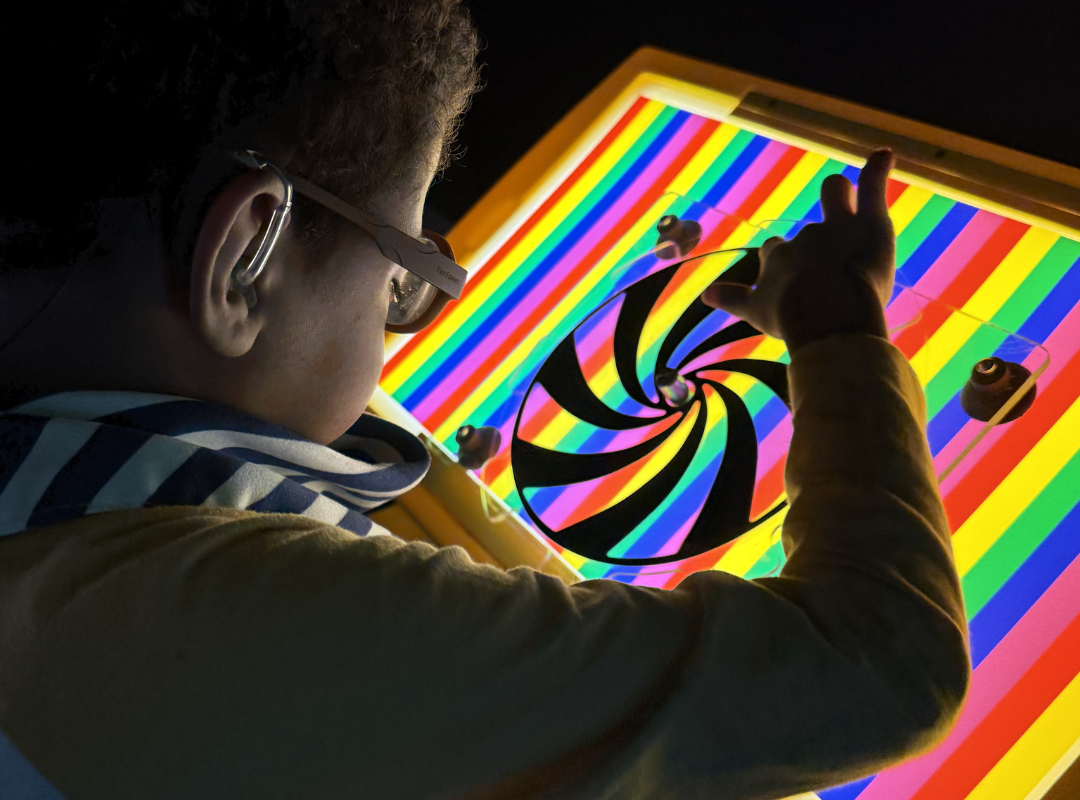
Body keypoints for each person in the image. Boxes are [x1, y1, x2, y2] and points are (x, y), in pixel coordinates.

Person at [0, 2, 969, 798]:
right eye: (402, 274)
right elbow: (875, 667)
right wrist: (839, 333)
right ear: (245, 259)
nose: (404, 314)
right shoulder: (260, 619)